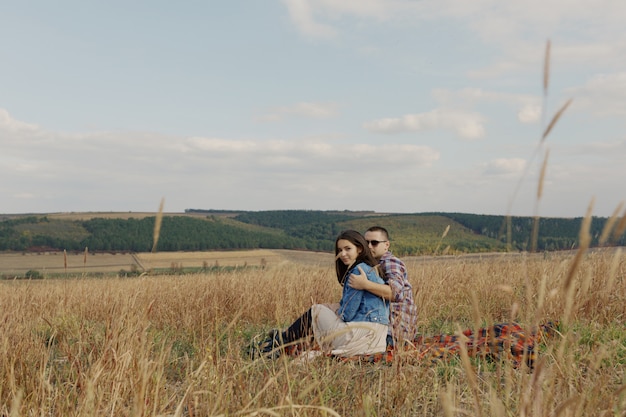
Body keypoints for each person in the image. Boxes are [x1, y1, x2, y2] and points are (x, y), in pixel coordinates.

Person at [259, 230, 389, 358]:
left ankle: (280, 342)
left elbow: (348, 314)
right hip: (377, 340)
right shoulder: (370, 269)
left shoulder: (358, 272)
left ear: (359, 249)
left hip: (361, 335)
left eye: (348, 249)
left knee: (316, 310)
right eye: (340, 250)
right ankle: (283, 340)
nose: (343, 254)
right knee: (322, 314)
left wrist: (335, 312)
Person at [348, 226, 417, 346]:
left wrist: (364, 284)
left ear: (386, 245)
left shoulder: (390, 262)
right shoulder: (372, 264)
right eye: (366, 242)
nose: (369, 246)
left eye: (374, 243)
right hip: (384, 327)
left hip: (394, 333)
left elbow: (395, 294)